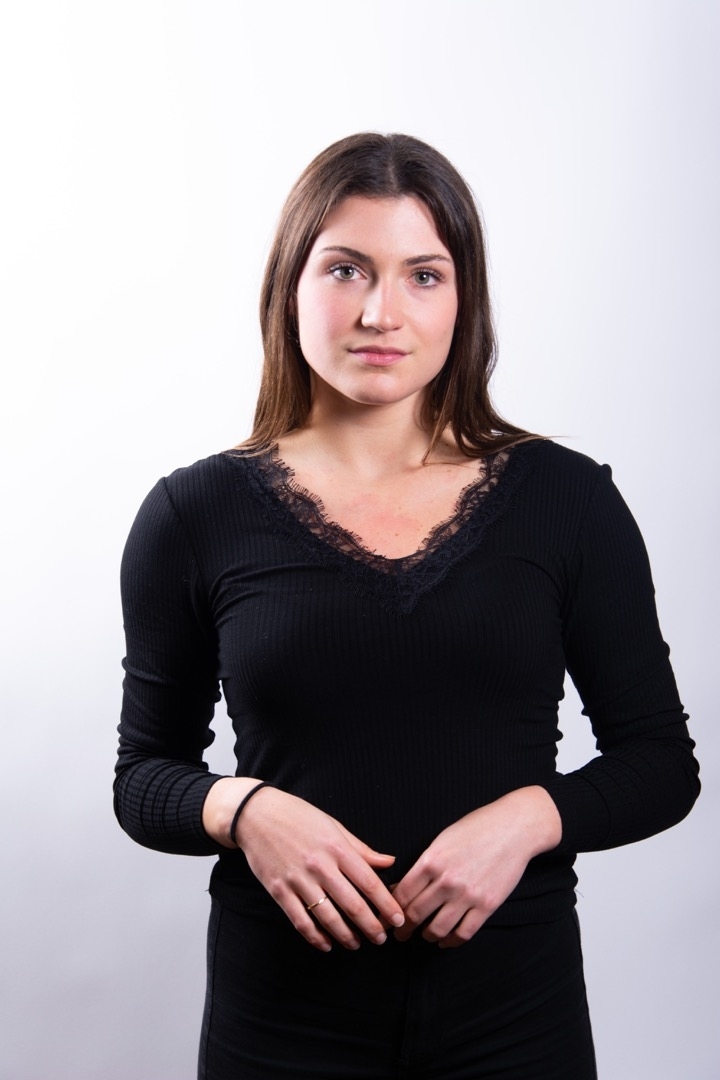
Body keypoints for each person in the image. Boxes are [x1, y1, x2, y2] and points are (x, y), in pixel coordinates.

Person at [115, 132, 700, 1079]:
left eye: (423, 276)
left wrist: (529, 817)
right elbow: (143, 776)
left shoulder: (567, 500)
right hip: (280, 1029)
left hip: (517, 1021)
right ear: (290, 286)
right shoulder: (195, 513)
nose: (380, 312)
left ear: (464, 299)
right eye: (346, 269)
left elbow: (661, 762)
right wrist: (245, 808)